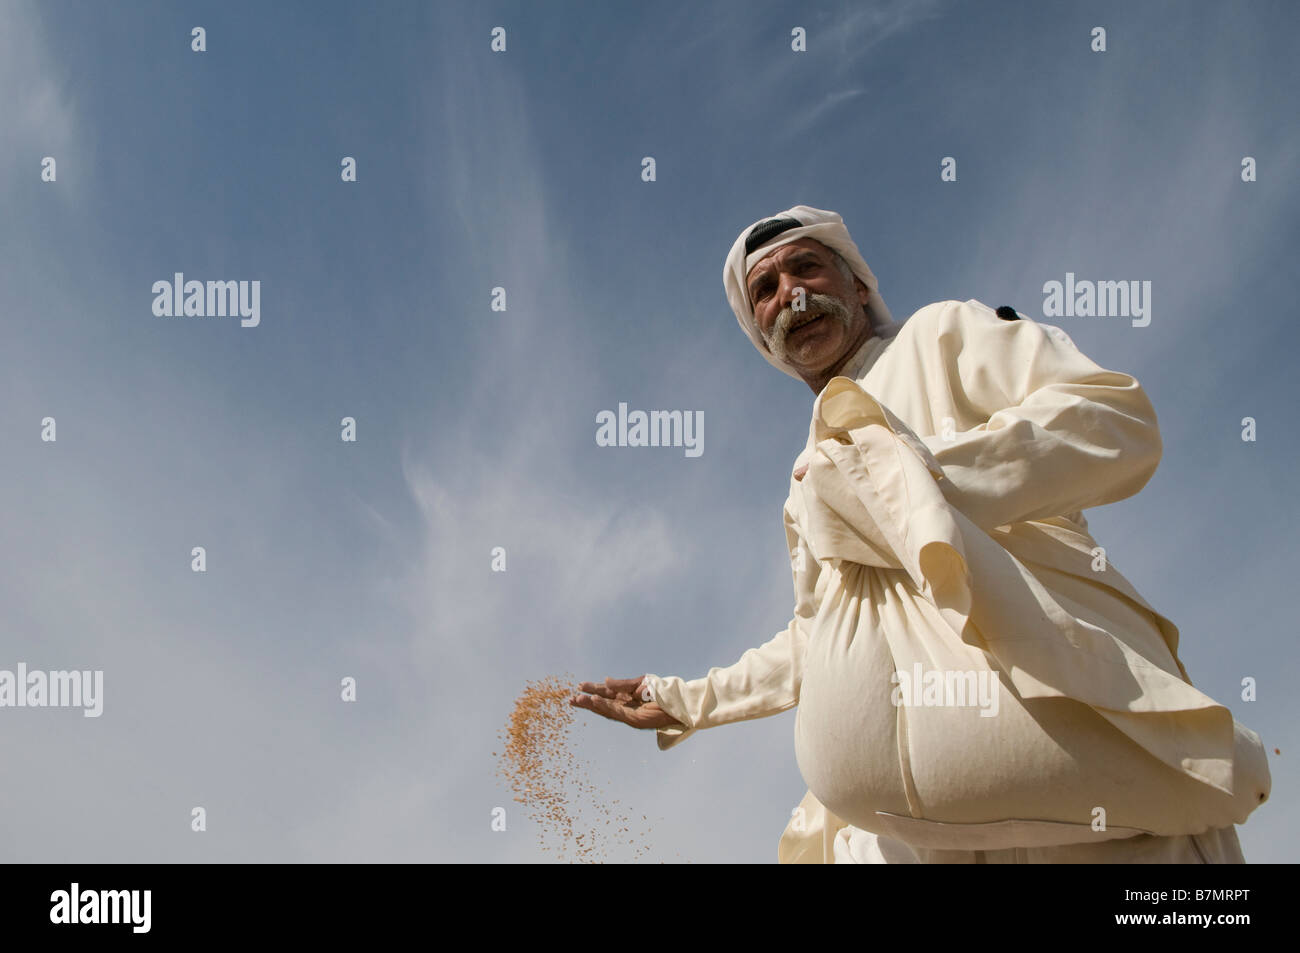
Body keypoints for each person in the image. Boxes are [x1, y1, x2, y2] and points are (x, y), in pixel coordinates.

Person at [571, 205, 1270, 863]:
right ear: (761, 333)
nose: (790, 293)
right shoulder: (811, 476)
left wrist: (911, 485)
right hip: (916, 834)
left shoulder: (941, 334)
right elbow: (821, 634)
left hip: (1066, 720)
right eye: (766, 288)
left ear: (856, 280)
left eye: (807, 267)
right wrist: (687, 699)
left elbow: (1112, 420)